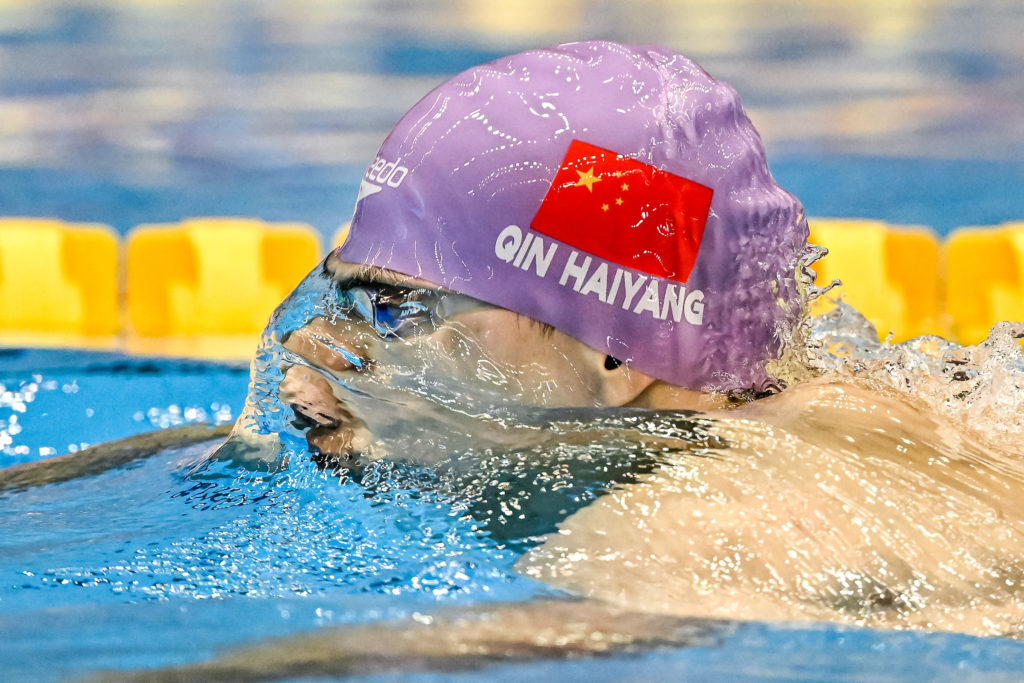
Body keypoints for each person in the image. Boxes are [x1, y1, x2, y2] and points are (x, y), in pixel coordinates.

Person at [265, 40, 810, 462]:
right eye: (341, 301)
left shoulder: (698, 541)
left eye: (395, 311)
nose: (305, 355)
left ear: (617, 354)